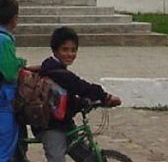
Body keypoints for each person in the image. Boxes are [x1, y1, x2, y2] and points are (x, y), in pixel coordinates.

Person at [36, 26, 121, 162]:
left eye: (73, 50)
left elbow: (65, 96)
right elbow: (79, 86)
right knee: (56, 158)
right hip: (50, 126)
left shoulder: (56, 68)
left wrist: (82, 103)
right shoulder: (55, 70)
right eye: (65, 50)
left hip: (64, 123)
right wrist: (105, 96)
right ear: (54, 50)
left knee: (87, 157)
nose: (70, 54)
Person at [0, 0, 32, 162]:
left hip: (1, 98)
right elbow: (10, 73)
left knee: (16, 147)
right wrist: (21, 63)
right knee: (4, 151)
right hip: (4, 100)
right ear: (14, 18)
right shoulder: (3, 40)